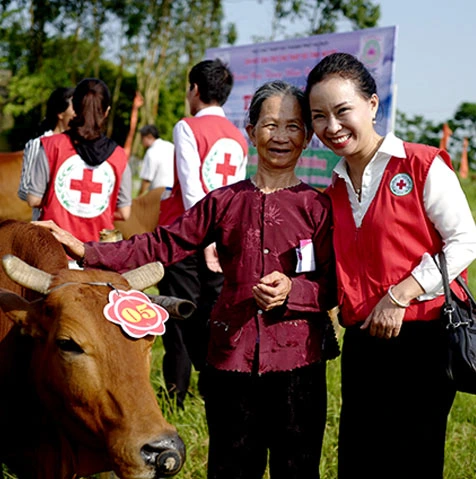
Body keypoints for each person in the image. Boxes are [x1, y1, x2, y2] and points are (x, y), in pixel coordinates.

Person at [34, 80, 337, 479]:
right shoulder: (224, 202)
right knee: (231, 468)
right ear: (251, 133)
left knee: (297, 469)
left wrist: (294, 290)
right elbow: (163, 244)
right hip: (231, 363)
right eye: (270, 125)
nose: (280, 136)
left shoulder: (318, 207)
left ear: (307, 138)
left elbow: (335, 284)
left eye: (293, 127)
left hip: (300, 366)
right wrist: (88, 250)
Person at [305, 52, 476, 479]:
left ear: (373, 105)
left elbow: (465, 240)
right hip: (364, 342)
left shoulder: (421, 164)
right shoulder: (335, 188)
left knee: (414, 460)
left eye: (343, 110)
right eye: (319, 116)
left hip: (425, 338)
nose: (332, 126)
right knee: (361, 458)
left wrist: (401, 294)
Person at [157, 58, 248, 408]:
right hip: (220, 239)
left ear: (195, 89)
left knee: (177, 318)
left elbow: (194, 191)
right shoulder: (239, 138)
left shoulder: (187, 127)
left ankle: (174, 397)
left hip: (187, 236)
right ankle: (213, 388)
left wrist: (204, 238)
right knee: (211, 315)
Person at [26, 78, 132, 246]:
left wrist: (60, 205)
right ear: (106, 111)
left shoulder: (50, 145)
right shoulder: (119, 156)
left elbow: (33, 199)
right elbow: (124, 212)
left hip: (53, 248)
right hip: (97, 252)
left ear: (74, 107)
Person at [18, 86, 75, 220]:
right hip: (46, 225)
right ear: (60, 114)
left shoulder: (81, 147)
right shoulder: (38, 144)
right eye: (75, 108)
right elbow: (24, 189)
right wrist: (58, 198)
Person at [138, 124, 174, 195]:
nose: (141, 142)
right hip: (173, 191)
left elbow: (147, 179)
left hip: (158, 193)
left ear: (149, 136)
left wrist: (139, 196)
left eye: (142, 138)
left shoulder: (152, 152)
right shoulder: (171, 146)